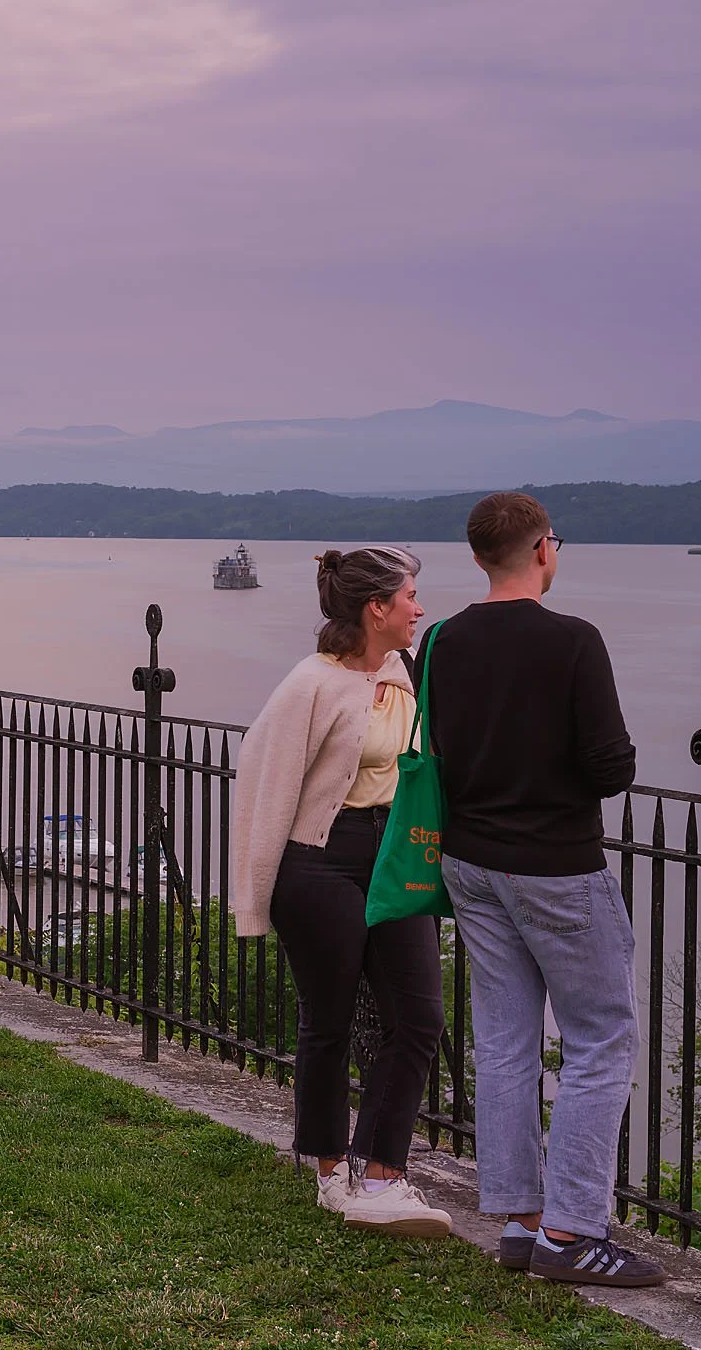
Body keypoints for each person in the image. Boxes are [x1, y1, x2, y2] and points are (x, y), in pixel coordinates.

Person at [428, 492, 657, 1287]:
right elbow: (610, 769)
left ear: (479, 557)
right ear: (541, 551)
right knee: (600, 1039)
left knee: (504, 1040)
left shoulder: (442, 639)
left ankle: (521, 1220)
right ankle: (570, 1231)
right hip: (556, 865)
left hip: (471, 862)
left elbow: (444, 750)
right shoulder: (573, 641)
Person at [230, 546, 452, 1239]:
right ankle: (332, 1171)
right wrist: (254, 900)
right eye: (410, 596)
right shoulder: (310, 684)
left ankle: (383, 1172)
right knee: (325, 1022)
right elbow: (265, 788)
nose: (419, 608)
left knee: (417, 1018)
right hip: (321, 862)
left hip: (393, 861)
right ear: (375, 607)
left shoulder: (405, 670)